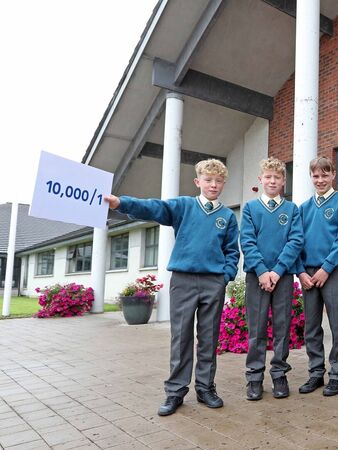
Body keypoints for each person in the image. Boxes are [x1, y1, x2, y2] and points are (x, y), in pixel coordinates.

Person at [104, 159, 240, 416]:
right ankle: (175, 391)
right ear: (198, 182)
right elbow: (154, 207)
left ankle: (205, 388)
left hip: (213, 283)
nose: (213, 185)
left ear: (223, 184)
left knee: (209, 337)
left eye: (218, 181)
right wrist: (121, 203)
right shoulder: (184, 206)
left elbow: (232, 251)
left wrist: (226, 276)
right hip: (183, 281)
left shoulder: (227, 217)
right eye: (208, 180)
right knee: (181, 337)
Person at [240, 157, 303, 401]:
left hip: (282, 276)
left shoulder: (292, 210)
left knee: (282, 327)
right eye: (268, 177)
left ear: (284, 181)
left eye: (277, 177)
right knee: (256, 328)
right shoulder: (250, 209)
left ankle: (279, 375)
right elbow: (247, 241)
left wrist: (277, 271)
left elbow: (295, 241)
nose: (272, 181)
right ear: (261, 179)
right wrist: (262, 271)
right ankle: (254, 378)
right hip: (256, 276)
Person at [297, 156, 338, 397]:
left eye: (324, 175)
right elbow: (296, 242)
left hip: (333, 272)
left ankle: (337, 374)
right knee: (311, 327)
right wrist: (300, 271)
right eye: (316, 176)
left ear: (333, 176)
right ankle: (316, 373)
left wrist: (326, 268)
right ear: (311, 177)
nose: (320, 180)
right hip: (308, 275)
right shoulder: (304, 208)